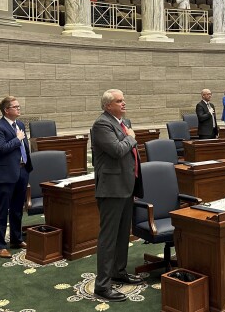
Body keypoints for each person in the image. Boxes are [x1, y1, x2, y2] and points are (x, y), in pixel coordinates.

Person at [91, 89, 143, 302]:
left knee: (123, 234)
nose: (124, 103)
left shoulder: (124, 121)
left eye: (123, 100)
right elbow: (116, 150)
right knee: (109, 238)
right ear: (107, 105)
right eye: (119, 101)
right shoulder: (101, 124)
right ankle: (102, 286)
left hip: (126, 185)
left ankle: (118, 272)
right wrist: (130, 138)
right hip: (111, 188)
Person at [0, 96, 33, 258]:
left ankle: (16, 238)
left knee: (17, 208)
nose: (19, 109)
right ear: (6, 110)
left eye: (19, 106)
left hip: (22, 171)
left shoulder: (20, 124)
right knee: (3, 210)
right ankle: (0, 245)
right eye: (15, 107)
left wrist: (27, 165)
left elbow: (24, 147)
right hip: (6, 174)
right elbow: (0, 149)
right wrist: (17, 139)